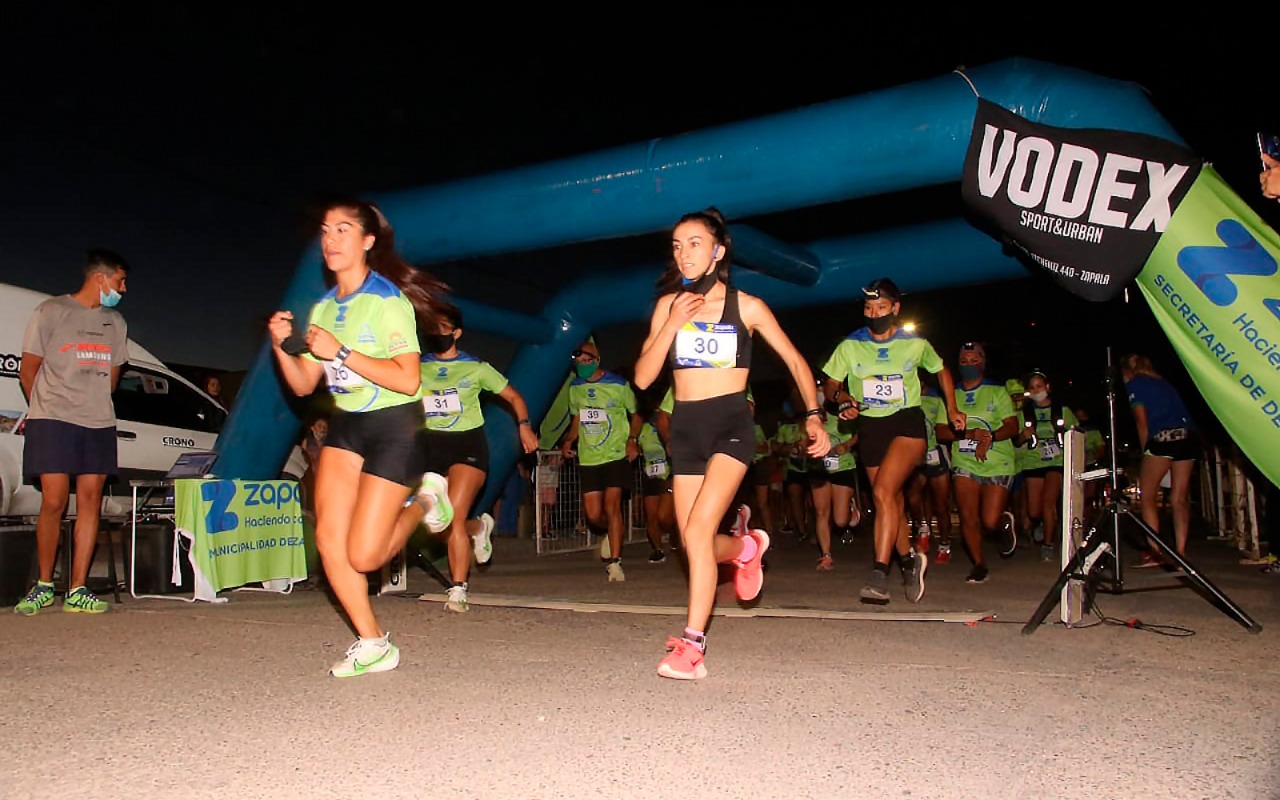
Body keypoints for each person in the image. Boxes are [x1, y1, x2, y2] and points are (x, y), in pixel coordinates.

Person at [634, 207, 829, 680]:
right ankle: (745, 549)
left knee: (700, 529)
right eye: (677, 246)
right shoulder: (668, 305)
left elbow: (796, 362)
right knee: (691, 541)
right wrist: (671, 323)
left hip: (730, 425)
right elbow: (642, 378)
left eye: (694, 244)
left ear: (718, 251)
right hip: (686, 429)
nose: (684, 254)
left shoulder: (748, 307)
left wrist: (814, 416)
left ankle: (692, 647)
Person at [267, 199, 452, 677]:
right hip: (347, 427)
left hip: (395, 427)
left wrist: (342, 352)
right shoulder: (325, 308)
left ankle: (426, 500)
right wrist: (282, 348)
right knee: (329, 540)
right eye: (326, 231)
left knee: (366, 555)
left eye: (343, 230)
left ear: (368, 241)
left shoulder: (388, 301)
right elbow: (304, 385)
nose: (330, 240)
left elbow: (408, 380)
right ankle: (373, 643)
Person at [390, 302, 540, 612]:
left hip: (467, 446)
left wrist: (524, 426)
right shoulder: (418, 366)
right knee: (437, 524)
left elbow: (514, 396)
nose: (437, 332)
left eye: (443, 327)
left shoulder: (476, 367)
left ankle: (458, 588)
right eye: (432, 328)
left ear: (456, 333)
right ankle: (478, 528)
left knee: (454, 517)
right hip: (430, 446)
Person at [822, 278, 963, 605]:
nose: (874, 314)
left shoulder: (915, 343)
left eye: (881, 307)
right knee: (890, 501)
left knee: (884, 492)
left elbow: (941, 370)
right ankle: (910, 562)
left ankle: (879, 574)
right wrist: (843, 399)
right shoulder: (850, 345)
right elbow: (830, 385)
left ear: (895, 308)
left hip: (906, 422)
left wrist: (953, 408)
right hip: (871, 427)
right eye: (869, 308)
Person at [14, 248, 131, 616]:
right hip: (53, 419)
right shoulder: (51, 311)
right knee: (54, 500)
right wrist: (47, 408)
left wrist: (89, 402)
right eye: (120, 281)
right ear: (100, 278)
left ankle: (78, 588)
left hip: (97, 421)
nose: (123, 289)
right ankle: (44, 585)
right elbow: (28, 370)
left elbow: (112, 379)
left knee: (91, 500)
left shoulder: (116, 323)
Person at [934, 342, 1018, 584]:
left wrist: (990, 436)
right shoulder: (951, 395)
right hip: (965, 462)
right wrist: (968, 434)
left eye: (974, 360)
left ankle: (1002, 522)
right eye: (964, 361)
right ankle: (979, 564)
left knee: (989, 521)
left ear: (983, 362)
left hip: (997, 461)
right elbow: (940, 431)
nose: (969, 365)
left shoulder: (997, 391)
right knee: (968, 516)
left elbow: (1012, 426)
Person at [560, 337, 642, 582]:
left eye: (587, 361)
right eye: (578, 362)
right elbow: (577, 418)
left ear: (597, 361)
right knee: (594, 515)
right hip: (589, 457)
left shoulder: (618, 385)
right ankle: (612, 533)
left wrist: (632, 440)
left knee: (612, 506)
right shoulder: (575, 388)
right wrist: (568, 440)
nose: (582, 366)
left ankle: (615, 563)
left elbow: (636, 415)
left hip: (615, 454)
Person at [1120, 353, 1199, 565]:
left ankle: (1155, 551)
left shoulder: (1136, 384)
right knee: (1179, 498)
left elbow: (1142, 421)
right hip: (1187, 437)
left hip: (1163, 438)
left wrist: (1146, 449)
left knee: (1147, 496)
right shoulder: (1164, 383)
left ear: (1127, 372)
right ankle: (1181, 552)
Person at [1013, 370, 1078, 561]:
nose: (1036, 390)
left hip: (1056, 461)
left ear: (1047, 387)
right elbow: (1016, 441)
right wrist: (1023, 436)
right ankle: (1041, 523)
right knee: (1034, 510)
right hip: (1033, 461)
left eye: (1039, 386)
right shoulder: (1022, 414)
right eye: (1032, 387)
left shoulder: (1063, 411)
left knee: (1049, 503)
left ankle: (1048, 544)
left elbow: (1077, 434)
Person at [808, 404, 858, 571]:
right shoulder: (811, 417)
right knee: (821, 512)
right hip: (819, 468)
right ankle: (826, 555)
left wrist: (847, 445)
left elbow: (859, 432)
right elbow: (802, 439)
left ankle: (850, 506)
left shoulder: (841, 412)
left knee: (840, 520)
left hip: (842, 466)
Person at [914, 376, 955, 563]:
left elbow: (943, 430)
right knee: (913, 497)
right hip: (915, 456)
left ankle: (944, 544)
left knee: (941, 505)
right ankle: (923, 529)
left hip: (937, 454)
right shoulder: (905, 401)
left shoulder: (937, 400)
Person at [636, 391, 676, 563]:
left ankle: (676, 534)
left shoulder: (671, 425)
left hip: (669, 474)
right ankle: (657, 549)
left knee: (664, 516)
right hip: (650, 474)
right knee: (651, 516)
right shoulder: (642, 428)